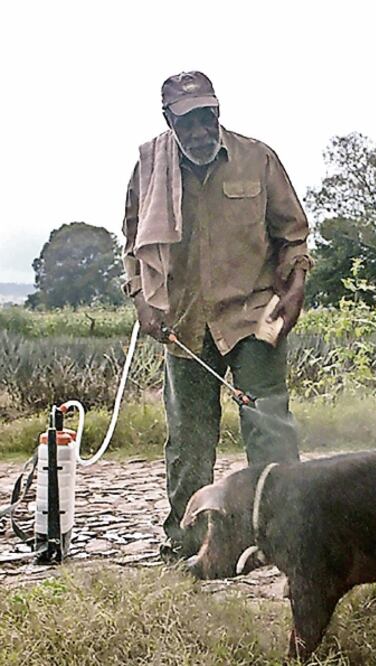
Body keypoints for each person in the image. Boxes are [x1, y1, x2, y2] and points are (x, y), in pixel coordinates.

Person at [120, 71, 313, 561]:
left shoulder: (258, 158)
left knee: (269, 426)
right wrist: (142, 299)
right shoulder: (149, 168)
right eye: (189, 121)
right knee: (188, 438)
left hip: (252, 315)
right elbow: (131, 245)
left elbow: (293, 237)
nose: (201, 130)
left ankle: (284, 536)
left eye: (208, 116)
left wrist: (294, 292)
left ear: (218, 110)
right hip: (182, 323)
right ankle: (187, 539)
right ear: (169, 120)